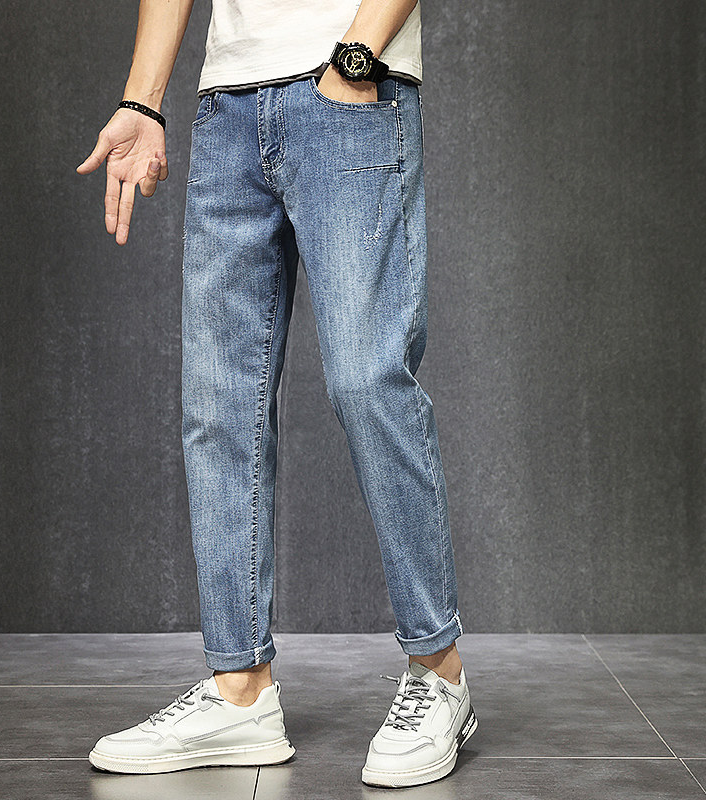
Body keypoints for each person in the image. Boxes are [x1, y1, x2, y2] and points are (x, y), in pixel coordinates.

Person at [76, 0, 476, 788]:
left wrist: (356, 57)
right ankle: (241, 692)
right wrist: (142, 101)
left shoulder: (353, 70)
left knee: (368, 380)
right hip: (226, 104)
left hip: (351, 86)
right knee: (219, 405)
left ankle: (441, 672)